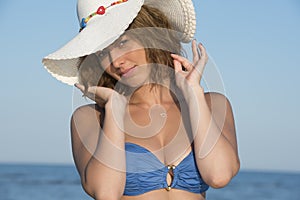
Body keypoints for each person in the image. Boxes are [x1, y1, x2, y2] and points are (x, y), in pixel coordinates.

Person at [43, 0, 240, 199]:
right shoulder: (91, 118)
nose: (116, 61)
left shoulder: (212, 103)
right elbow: (106, 193)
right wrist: (114, 110)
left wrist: (193, 94)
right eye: (103, 52)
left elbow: (219, 175)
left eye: (122, 42)